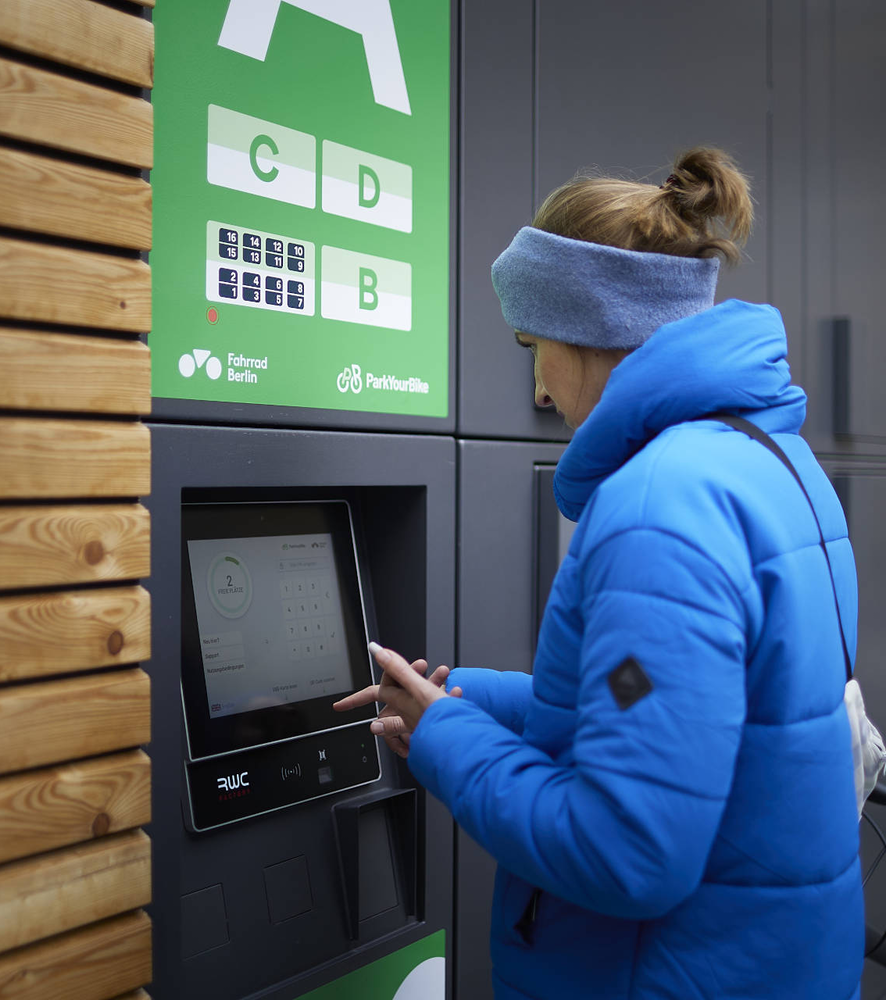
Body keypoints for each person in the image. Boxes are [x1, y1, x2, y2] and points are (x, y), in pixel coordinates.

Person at [334, 147, 864, 998]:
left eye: (531, 341)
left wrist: (443, 739)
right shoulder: (772, 461)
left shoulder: (656, 506)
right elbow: (661, 696)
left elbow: (628, 855)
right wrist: (465, 696)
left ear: (583, 327)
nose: (539, 388)